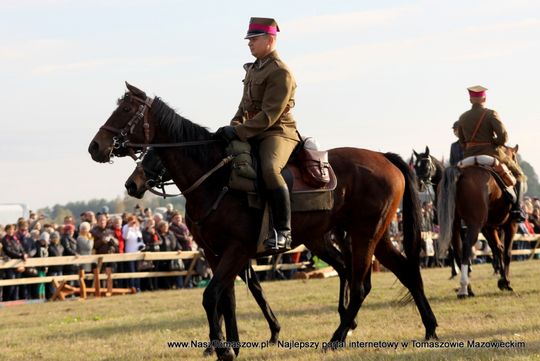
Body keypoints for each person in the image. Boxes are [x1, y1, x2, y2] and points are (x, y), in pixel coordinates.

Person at [214, 17, 299, 254]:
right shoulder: (253, 69)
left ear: (270, 40)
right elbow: (243, 107)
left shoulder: (281, 72)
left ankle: (283, 231)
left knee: (270, 170)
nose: (249, 43)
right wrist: (232, 127)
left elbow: (270, 114)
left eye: (254, 39)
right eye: (249, 39)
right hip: (252, 130)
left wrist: (239, 131)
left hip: (277, 132)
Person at [456, 85, 526, 221]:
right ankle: (517, 210)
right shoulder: (490, 113)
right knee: (518, 175)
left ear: (470, 100)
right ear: (484, 98)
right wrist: (494, 141)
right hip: (491, 154)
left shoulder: (463, 117)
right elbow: (503, 137)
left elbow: (462, 141)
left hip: (469, 156)